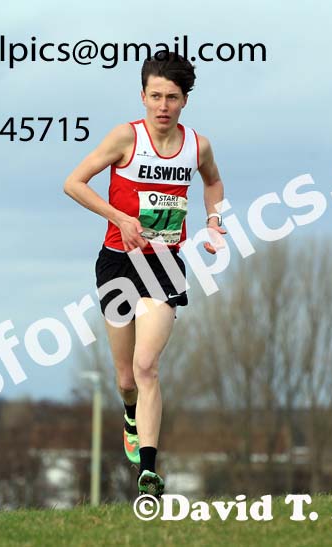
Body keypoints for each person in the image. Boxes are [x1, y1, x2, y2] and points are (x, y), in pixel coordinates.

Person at [63, 53, 226, 497]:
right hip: (118, 264)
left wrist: (214, 221)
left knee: (147, 365)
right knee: (125, 378)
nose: (162, 106)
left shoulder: (198, 146)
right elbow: (73, 183)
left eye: (172, 97)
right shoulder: (124, 138)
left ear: (184, 101)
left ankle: (149, 472)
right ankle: (130, 414)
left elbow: (212, 182)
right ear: (143, 96)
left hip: (164, 264)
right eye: (155, 96)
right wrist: (119, 217)